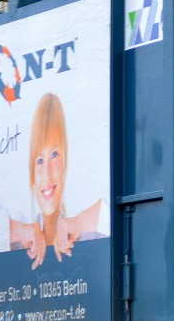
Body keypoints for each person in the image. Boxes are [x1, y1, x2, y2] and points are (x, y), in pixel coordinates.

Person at [9, 93, 105, 269]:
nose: (47, 174)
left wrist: (78, 223)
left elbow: (122, 217)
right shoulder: (18, 243)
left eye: (54, 155)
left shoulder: (87, 236)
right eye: (39, 160)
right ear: (32, 175)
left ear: (65, 163)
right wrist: (22, 231)